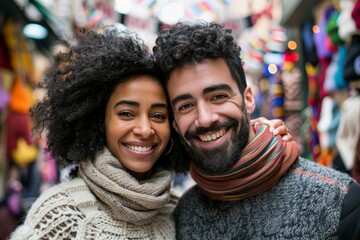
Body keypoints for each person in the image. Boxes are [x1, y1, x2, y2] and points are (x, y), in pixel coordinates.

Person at [9, 27, 290, 239]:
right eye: (126, 113)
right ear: (99, 121)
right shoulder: (61, 216)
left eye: (158, 115)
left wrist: (260, 138)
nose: (144, 130)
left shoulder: (177, 210)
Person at [153, 21, 360, 239]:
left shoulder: (340, 201)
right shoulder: (183, 217)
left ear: (248, 99)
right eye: (185, 106)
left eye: (218, 97)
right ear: (174, 123)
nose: (205, 119)